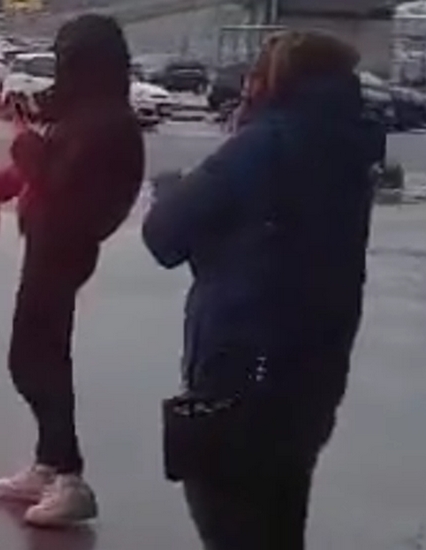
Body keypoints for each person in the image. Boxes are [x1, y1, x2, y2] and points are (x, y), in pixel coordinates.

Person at [142, 32, 381, 550]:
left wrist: (170, 189)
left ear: (273, 81)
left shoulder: (264, 144)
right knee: (280, 524)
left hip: (240, 373)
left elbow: (164, 236)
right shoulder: (350, 149)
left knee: (230, 523)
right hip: (315, 374)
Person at [0, 13, 144, 528]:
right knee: (40, 354)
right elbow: (49, 167)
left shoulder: (107, 123)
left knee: (35, 359)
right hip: (50, 242)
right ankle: (49, 463)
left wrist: (26, 151)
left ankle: (69, 476)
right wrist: (0, 184)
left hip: (64, 247)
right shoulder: (88, 111)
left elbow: (61, 181)